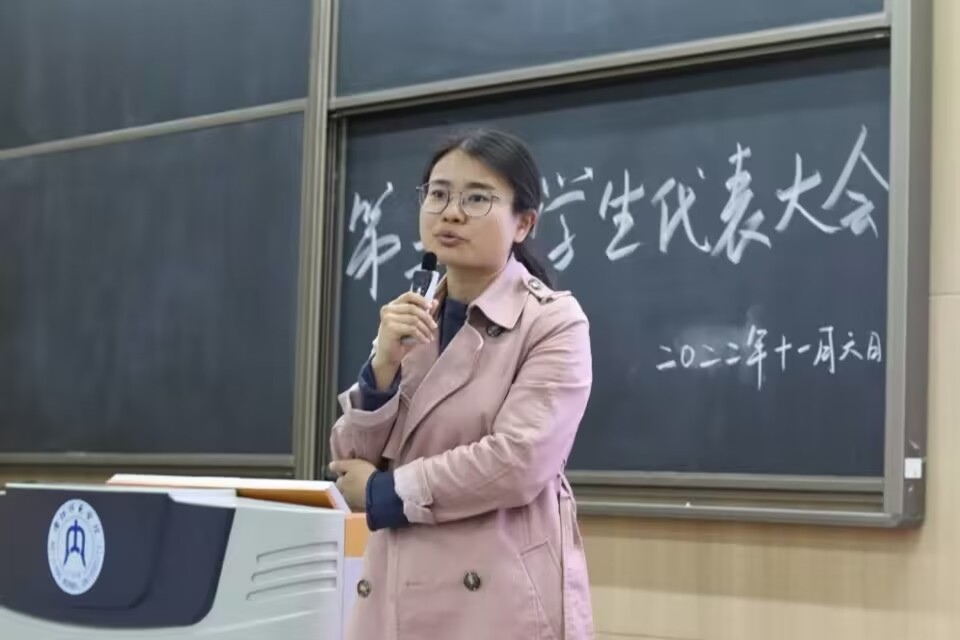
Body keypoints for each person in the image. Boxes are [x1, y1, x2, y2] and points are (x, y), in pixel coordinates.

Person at [328, 129, 595, 639]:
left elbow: (518, 460)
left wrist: (387, 491)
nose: (450, 212)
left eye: (476, 198)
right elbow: (350, 463)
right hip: (395, 588)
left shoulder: (552, 322)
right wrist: (382, 366)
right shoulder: (412, 315)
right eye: (438, 193)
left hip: (494, 599)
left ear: (524, 222)